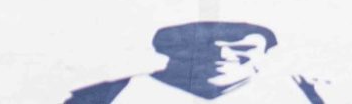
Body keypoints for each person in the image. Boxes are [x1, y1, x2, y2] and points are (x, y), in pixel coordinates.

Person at [62, 20, 330, 104]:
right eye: (202, 47)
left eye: (242, 47)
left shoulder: (302, 93)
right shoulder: (109, 96)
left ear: (265, 52)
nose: (223, 56)